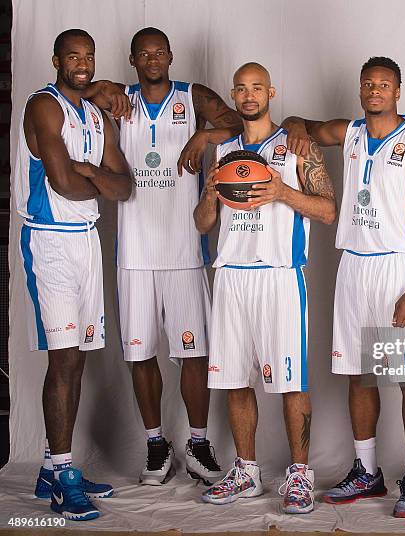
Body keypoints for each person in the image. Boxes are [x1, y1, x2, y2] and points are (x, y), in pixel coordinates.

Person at [284, 56, 405, 518]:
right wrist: (292, 124)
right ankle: (367, 471)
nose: (375, 91)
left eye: (384, 84)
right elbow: (302, 125)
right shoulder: (349, 132)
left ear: (398, 90)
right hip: (353, 266)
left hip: (396, 267)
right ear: (360, 90)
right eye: (368, 84)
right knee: (358, 373)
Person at [194, 62, 336, 514]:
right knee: (235, 380)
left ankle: (299, 476)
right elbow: (201, 223)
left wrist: (283, 194)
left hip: (279, 275)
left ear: (271, 91)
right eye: (241, 88)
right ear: (233, 95)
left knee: (291, 381)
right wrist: (209, 196)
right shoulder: (224, 152)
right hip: (231, 274)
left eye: (257, 87)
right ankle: (247, 471)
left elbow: (329, 210)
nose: (249, 95)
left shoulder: (296, 145)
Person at [114, 27, 242, 486]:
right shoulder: (118, 100)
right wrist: (104, 90)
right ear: (132, 60)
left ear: (170, 56)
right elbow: (77, 89)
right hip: (135, 250)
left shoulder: (193, 97)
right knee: (140, 353)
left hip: (185, 248)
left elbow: (240, 122)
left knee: (196, 353)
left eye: (159, 52)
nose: (152, 59)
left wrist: (206, 138)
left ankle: (198, 442)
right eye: (143, 53)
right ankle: (155, 443)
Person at [14, 29, 132, 520]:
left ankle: (50, 467)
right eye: (73, 56)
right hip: (48, 240)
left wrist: (89, 171)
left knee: (78, 357)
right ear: (56, 59)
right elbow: (61, 183)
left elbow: (124, 186)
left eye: (89, 56)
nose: (81, 64)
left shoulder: (96, 113)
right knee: (62, 361)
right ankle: (64, 477)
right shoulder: (43, 106)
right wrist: (86, 175)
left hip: (86, 239)